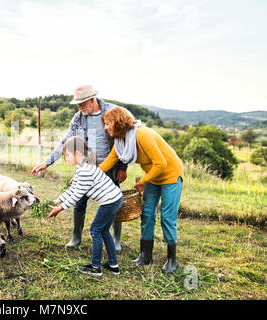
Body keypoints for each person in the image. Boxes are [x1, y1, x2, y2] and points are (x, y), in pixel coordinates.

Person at [31, 85, 127, 251]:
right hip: (87, 165)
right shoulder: (78, 118)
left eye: (82, 103)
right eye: (77, 104)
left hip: (109, 166)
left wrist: (122, 167)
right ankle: (76, 237)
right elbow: (66, 141)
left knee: (113, 201)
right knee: (79, 199)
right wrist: (47, 162)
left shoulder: (111, 112)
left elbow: (123, 140)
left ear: (92, 100)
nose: (79, 107)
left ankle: (116, 241)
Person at [98, 106, 184, 274]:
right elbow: (107, 163)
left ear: (118, 122)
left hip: (171, 175)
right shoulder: (121, 142)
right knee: (147, 214)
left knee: (167, 217)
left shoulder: (142, 134)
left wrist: (143, 181)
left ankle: (172, 260)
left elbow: (161, 163)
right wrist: (84, 175)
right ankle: (145, 255)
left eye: (108, 123)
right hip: (153, 176)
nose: (106, 127)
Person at [48, 136, 123, 276]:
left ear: (77, 154)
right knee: (104, 231)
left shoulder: (85, 171)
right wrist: (57, 201)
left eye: (67, 155)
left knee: (95, 230)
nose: (66, 159)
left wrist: (60, 208)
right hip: (114, 199)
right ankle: (113, 265)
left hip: (111, 201)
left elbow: (77, 196)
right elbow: (73, 189)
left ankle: (95, 267)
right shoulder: (81, 167)